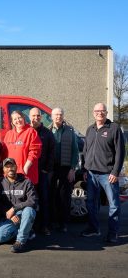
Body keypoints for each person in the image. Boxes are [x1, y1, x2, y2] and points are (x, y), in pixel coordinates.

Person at [81, 103, 125, 243]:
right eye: (97, 111)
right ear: (93, 113)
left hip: (108, 174)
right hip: (91, 173)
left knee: (113, 204)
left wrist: (115, 172)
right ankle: (94, 229)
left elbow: (120, 152)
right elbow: (86, 151)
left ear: (106, 113)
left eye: (102, 111)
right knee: (90, 203)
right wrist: (85, 169)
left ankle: (113, 233)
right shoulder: (90, 129)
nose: (100, 113)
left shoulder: (114, 128)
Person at [0, 158, 37, 253]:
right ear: (3, 169)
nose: (10, 169)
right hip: (9, 216)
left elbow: (33, 200)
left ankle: (20, 242)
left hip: (23, 214)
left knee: (29, 210)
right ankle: (26, 230)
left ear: (16, 167)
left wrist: (14, 208)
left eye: (12, 166)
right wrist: (8, 213)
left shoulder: (26, 182)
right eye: (7, 167)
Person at [49, 107, 79, 232]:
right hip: (50, 168)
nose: (58, 117)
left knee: (64, 196)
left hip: (65, 168)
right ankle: (50, 222)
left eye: (60, 114)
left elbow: (75, 151)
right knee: (50, 195)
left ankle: (63, 223)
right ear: (51, 116)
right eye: (56, 115)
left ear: (63, 116)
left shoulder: (70, 131)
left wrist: (73, 169)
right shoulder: (47, 130)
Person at [29, 107, 55, 235]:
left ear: (41, 117)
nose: (36, 118)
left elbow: (52, 153)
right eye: (33, 116)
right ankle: (31, 226)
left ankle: (45, 226)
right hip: (28, 173)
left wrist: (46, 170)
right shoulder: (26, 131)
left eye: (38, 116)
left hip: (42, 172)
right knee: (30, 200)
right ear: (29, 117)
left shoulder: (47, 133)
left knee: (44, 199)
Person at [3, 110, 42, 185]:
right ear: (12, 122)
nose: (18, 120)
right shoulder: (9, 134)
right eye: (15, 119)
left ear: (24, 118)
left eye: (19, 117)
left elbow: (35, 151)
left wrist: (26, 167)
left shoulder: (31, 132)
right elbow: (4, 153)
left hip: (26, 173)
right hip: (11, 173)